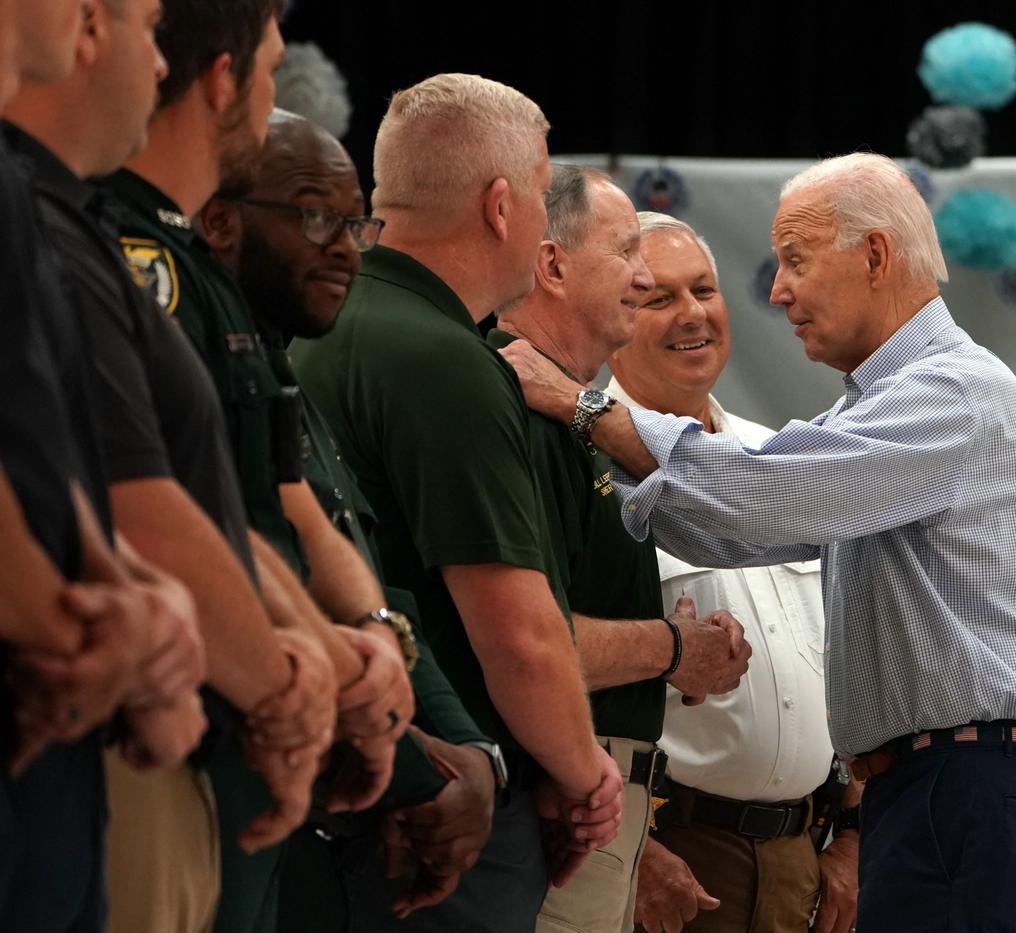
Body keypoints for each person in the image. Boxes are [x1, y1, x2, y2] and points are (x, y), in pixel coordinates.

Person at [501, 152, 1016, 933]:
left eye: (796, 261)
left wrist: (580, 410)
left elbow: (760, 493)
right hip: (931, 784)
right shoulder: (878, 408)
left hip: (962, 781)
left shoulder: (953, 392)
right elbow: (736, 521)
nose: (776, 291)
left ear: (876, 255)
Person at [100, 2, 416, 930]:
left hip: (252, 708)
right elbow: (147, 509)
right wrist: (308, 675)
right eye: (271, 72)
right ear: (224, 79)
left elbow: (274, 510)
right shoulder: (133, 258)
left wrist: (366, 635)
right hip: (177, 716)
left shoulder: (195, 269)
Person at [293, 73, 623, 932]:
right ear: (502, 205)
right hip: (446, 815)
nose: (550, 228)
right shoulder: (448, 360)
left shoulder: (315, 325)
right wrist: (587, 775)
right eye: (544, 198)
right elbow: (518, 633)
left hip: (347, 787)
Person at [201, 108, 503, 931]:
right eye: (313, 216)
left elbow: (378, 594)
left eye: (353, 221)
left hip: (349, 839)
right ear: (217, 218)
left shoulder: (284, 382)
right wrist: (426, 775)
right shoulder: (205, 370)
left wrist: (473, 757)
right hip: (254, 806)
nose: (343, 245)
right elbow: (245, 575)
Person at [489, 166, 752, 933]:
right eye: (631, 260)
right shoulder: (524, 404)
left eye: (700, 287)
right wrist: (676, 648)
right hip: (573, 805)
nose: (644, 284)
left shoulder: (586, 423)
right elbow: (529, 641)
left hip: (607, 805)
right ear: (552, 265)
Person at [0, 2, 205, 930]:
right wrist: (89, 624)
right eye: (141, 20)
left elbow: (40, 435)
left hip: (59, 729)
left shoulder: (14, 191)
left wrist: (126, 590)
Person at [605, 212, 858, 933]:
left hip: (801, 858)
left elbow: (850, 652)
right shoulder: (582, 467)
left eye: (705, 290)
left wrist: (855, 834)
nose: (693, 314)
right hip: (666, 852)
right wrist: (630, 848)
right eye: (658, 299)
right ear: (614, 316)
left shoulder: (776, 458)